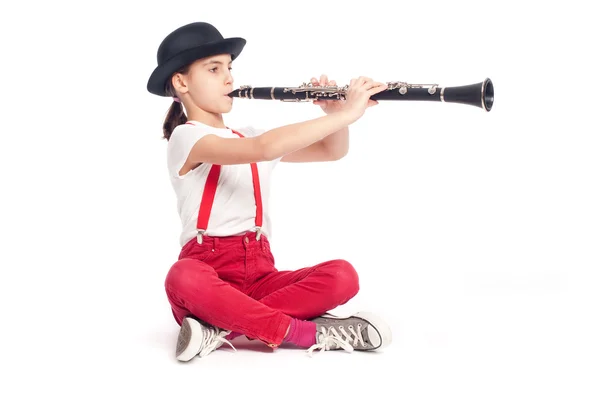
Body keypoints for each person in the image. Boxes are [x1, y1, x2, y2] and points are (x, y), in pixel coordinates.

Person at [147, 21, 392, 362]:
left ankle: (217, 328)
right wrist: (350, 113)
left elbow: (330, 151)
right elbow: (264, 148)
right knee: (183, 276)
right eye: (214, 69)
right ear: (181, 82)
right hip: (208, 272)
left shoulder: (247, 135)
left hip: (261, 275)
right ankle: (307, 333)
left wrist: (333, 113)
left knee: (342, 275)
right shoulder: (186, 138)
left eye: (229, 68)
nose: (229, 78)